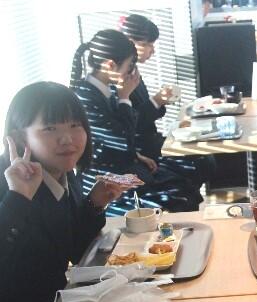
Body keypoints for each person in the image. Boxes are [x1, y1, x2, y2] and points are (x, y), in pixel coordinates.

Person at [0, 82, 128, 302]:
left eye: (75, 125)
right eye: (50, 129)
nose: (67, 138)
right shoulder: (11, 182)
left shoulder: (62, 172)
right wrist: (17, 198)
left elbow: (70, 249)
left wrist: (94, 203)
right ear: (20, 136)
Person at [70, 29, 202, 215]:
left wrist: (137, 155)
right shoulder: (85, 97)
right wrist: (125, 97)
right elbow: (122, 139)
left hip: (124, 170)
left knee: (185, 188)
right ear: (110, 65)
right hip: (106, 182)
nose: (131, 72)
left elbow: (124, 136)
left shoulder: (107, 89)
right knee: (177, 197)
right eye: (129, 66)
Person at [120, 14, 211, 187]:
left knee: (204, 160)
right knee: (200, 162)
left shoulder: (133, 70)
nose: (152, 51)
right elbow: (131, 123)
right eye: (147, 44)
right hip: (141, 149)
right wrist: (156, 101)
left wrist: (158, 101)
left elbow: (140, 112)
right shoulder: (120, 77)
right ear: (129, 42)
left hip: (150, 141)